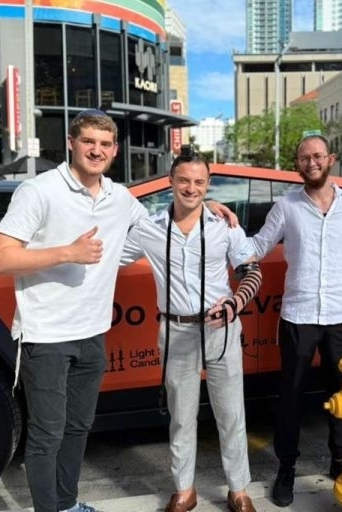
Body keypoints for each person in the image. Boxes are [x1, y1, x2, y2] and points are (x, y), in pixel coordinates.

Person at [0, 109, 147, 512]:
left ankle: (67, 503)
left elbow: (156, 229)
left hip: (92, 333)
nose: (97, 150)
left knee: (77, 428)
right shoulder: (38, 191)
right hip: (47, 336)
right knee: (47, 434)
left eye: (105, 144)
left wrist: (209, 208)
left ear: (115, 150)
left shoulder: (119, 197)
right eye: (88, 141)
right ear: (71, 143)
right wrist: (68, 253)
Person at [121, 147, 262, 512]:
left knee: (231, 414)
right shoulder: (149, 229)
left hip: (222, 331)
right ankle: (184, 489)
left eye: (199, 182)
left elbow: (251, 271)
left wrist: (235, 303)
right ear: (170, 181)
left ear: (208, 184)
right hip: (176, 331)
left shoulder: (224, 226)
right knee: (182, 417)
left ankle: (238, 489)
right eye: (184, 180)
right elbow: (108, 257)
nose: (191, 188)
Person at [247, 134, 342, 507]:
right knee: (291, 395)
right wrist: (224, 222)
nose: (311, 162)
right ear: (297, 164)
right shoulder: (287, 206)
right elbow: (257, 246)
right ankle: (286, 468)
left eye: (317, 156)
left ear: (331, 159)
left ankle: (340, 459)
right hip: (299, 315)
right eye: (303, 158)